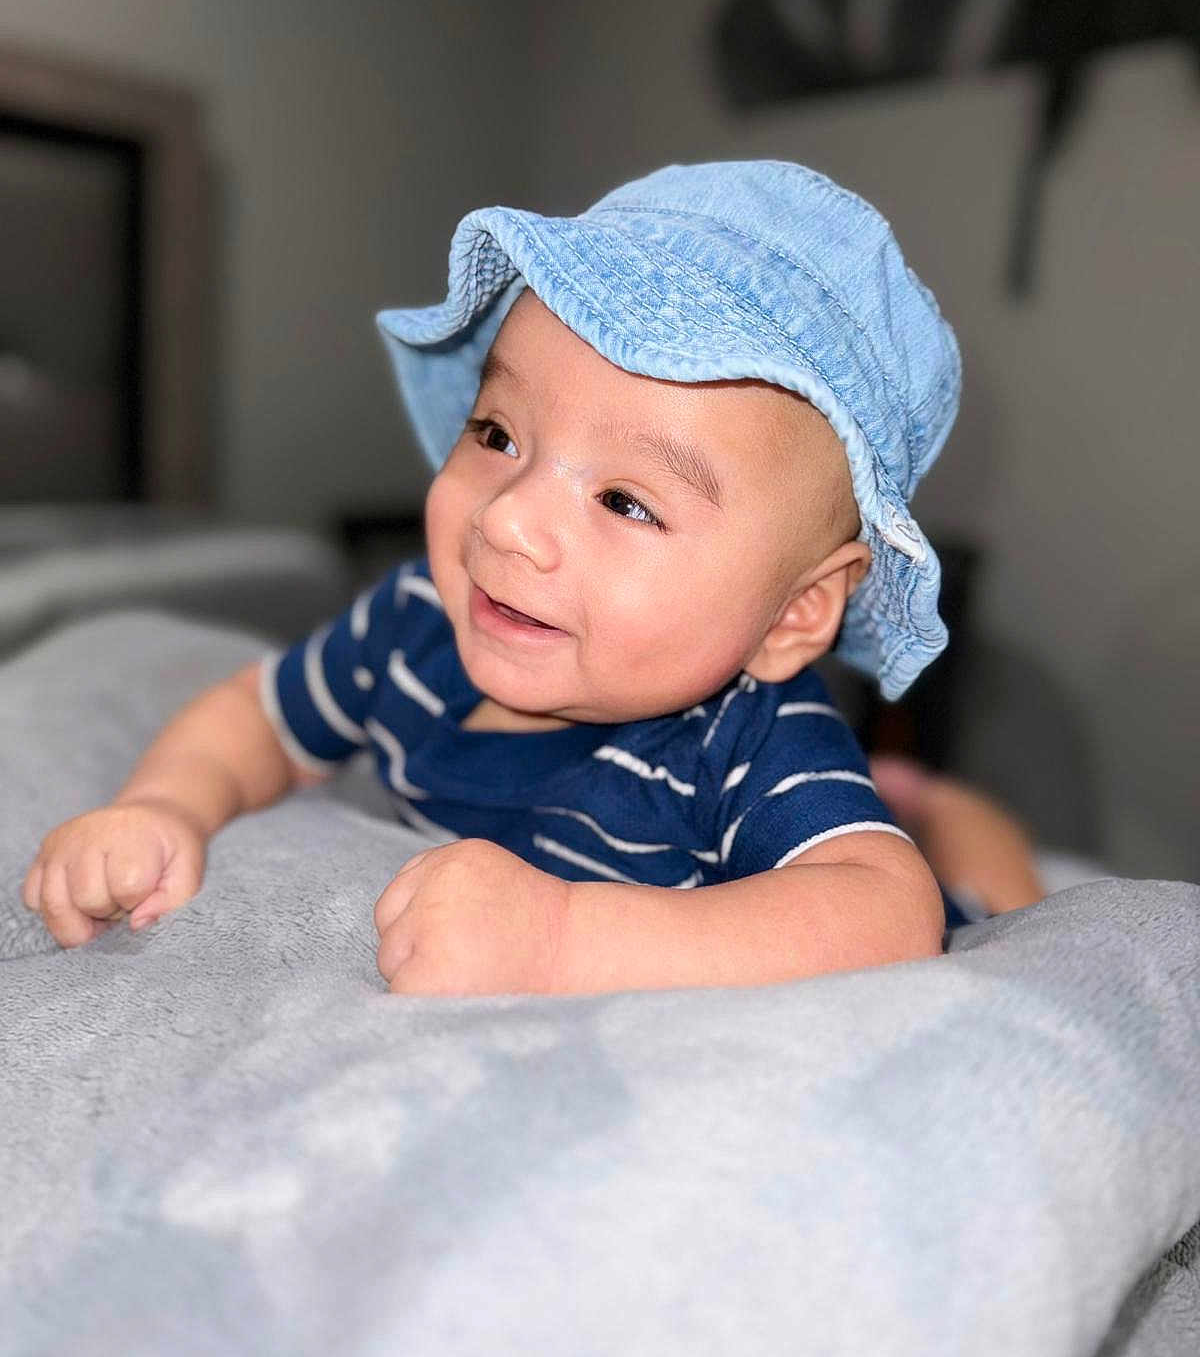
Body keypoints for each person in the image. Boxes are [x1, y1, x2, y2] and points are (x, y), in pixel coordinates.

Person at [23, 160, 997, 994]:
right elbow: (260, 716)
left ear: (794, 613)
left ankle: (946, 813)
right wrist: (164, 805)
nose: (511, 516)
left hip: (894, 878)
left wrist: (561, 939)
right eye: (498, 434)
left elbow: (889, 915)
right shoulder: (414, 625)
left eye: (625, 501)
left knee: (974, 884)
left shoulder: (745, 735)